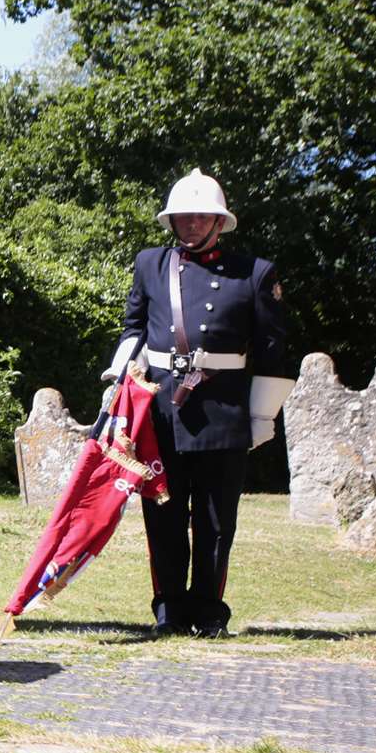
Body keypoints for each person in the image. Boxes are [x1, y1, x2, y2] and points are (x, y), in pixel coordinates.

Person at [101, 169, 290, 638]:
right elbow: (134, 327)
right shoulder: (151, 263)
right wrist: (118, 379)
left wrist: (262, 414)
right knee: (162, 515)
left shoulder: (255, 273)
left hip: (223, 411)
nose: (190, 224)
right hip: (162, 411)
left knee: (215, 520)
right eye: (182, 216)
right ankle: (168, 608)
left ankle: (208, 611)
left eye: (200, 216)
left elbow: (272, 349)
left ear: (218, 221)